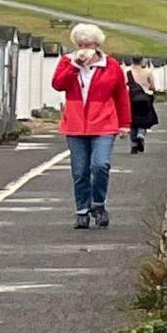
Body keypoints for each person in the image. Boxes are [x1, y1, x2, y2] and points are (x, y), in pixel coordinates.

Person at [51, 27, 132, 231]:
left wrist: (125, 124)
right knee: (79, 171)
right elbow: (58, 84)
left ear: (97, 46)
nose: (83, 50)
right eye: (80, 45)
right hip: (75, 124)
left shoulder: (111, 65)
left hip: (104, 123)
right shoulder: (67, 62)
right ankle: (82, 211)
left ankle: (98, 203)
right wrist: (74, 67)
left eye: (88, 45)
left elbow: (121, 95)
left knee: (100, 165)